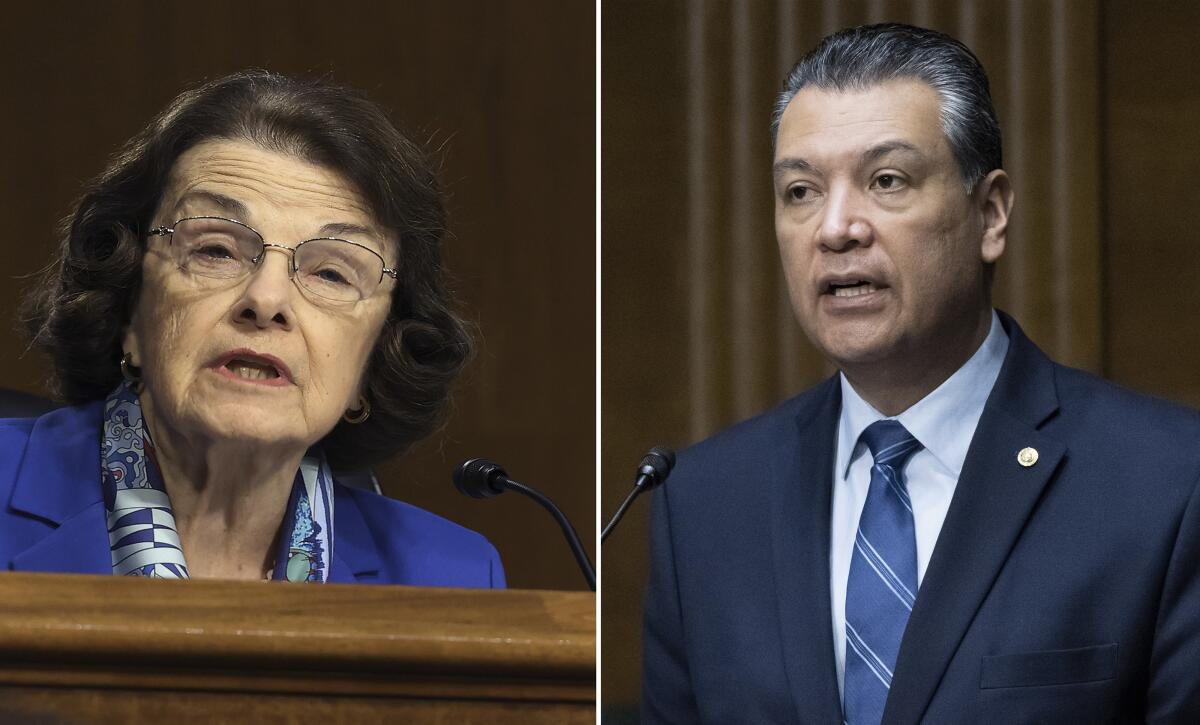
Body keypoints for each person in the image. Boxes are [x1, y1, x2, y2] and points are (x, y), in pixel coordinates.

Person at [642, 23, 1200, 723]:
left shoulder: (1168, 483)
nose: (835, 227)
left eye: (886, 180)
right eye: (800, 191)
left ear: (990, 214)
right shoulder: (702, 504)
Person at [1, 70, 504, 586]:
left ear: (378, 356)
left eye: (331, 272)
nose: (266, 301)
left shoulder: (452, 576)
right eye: (215, 250)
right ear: (129, 308)